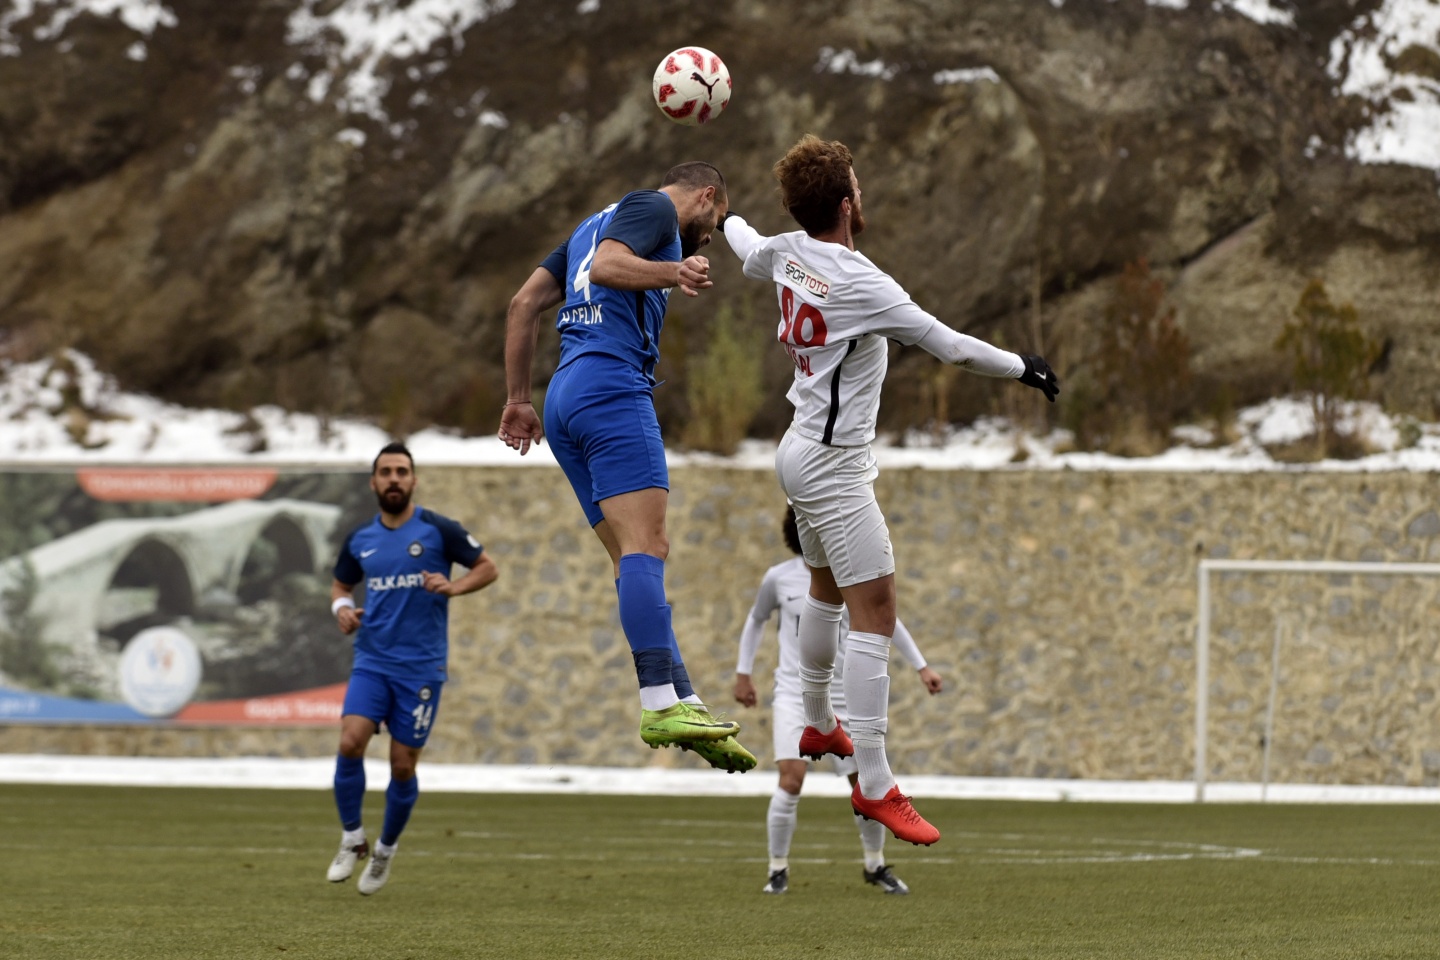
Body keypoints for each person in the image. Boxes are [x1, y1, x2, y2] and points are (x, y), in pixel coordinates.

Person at [719, 135, 1059, 845]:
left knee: (823, 589)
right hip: (836, 467)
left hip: (797, 451)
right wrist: (1023, 367)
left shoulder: (783, 251)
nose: (863, 197)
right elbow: (951, 346)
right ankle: (875, 783)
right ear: (846, 205)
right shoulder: (859, 280)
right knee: (875, 612)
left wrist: (719, 215)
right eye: (859, 188)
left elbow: (743, 240)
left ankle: (816, 721)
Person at [497, 162, 755, 772]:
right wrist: (676, 269)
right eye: (713, 223)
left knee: (631, 558)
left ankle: (683, 698)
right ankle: (660, 702)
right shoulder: (656, 209)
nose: (709, 236)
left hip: (565, 395)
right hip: (612, 386)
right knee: (650, 544)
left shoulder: (590, 225)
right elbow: (610, 266)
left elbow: (523, 303)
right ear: (706, 197)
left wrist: (516, 400)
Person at [734, 506, 943, 895]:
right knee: (791, 780)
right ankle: (777, 869)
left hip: (846, 698)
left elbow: (888, 620)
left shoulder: (851, 575)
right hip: (795, 696)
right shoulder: (779, 578)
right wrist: (743, 672)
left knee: (865, 784)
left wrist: (921, 666)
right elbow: (756, 619)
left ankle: (875, 865)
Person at [325, 442, 499, 895]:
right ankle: (351, 838)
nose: (394, 479)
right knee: (349, 741)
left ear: (414, 480)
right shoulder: (360, 539)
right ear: (374, 482)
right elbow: (341, 584)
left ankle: (384, 850)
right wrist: (342, 609)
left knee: (402, 767)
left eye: (402, 471)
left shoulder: (438, 530)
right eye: (386, 472)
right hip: (372, 660)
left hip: (421, 669)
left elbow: (487, 567)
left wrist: (455, 587)